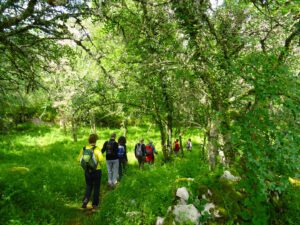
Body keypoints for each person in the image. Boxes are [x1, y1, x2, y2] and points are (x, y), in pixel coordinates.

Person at [79, 134, 104, 210]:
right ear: (95, 141)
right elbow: (101, 159)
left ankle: (85, 202)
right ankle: (95, 205)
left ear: (88, 140)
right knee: (96, 187)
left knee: (88, 186)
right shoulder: (97, 149)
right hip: (96, 170)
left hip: (87, 171)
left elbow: (79, 159)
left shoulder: (84, 149)